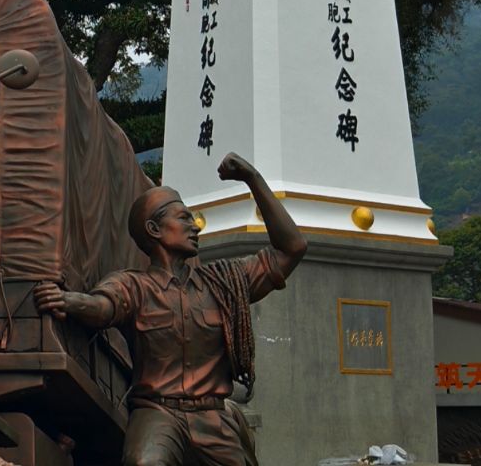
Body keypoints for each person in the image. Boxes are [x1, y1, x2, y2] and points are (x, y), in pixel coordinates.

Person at [33, 152, 307, 466]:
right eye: (184, 219)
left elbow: (292, 248)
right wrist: (69, 301)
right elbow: (104, 307)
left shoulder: (224, 282)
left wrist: (253, 179)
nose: (196, 227)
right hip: (158, 415)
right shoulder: (134, 286)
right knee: (143, 464)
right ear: (154, 229)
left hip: (213, 417)